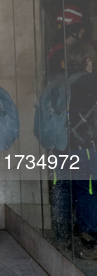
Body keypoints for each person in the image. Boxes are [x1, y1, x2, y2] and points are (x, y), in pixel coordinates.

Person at [53, 42, 97, 259]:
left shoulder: (56, 82)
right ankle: (89, 243)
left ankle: (62, 237)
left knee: (62, 188)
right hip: (85, 146)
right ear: (87, 61)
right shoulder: (91, 81)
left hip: (59, 146)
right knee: (87, 191)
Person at [47, 5, 85, 74]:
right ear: (72, 29)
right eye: (80, 28)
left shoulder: (59, 48)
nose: (83, 31)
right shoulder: (61, 53)